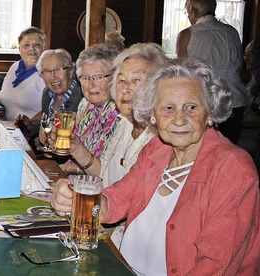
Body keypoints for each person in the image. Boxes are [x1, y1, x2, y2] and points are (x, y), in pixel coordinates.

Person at [51, 59, 260, 275]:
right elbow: (117, 199)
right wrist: (74, 198)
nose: (179, 120)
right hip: (120, 267)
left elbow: (216, 265)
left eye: (191, 108)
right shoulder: (157, 149)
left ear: (209, 113)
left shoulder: (233, 169)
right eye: (168, 108)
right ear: (153, 114)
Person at [176, 0, 248, 144]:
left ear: (192, 11)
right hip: (235, 100)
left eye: (187, 12)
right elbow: (240, 68)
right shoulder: (232, 32)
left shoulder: (188, 34)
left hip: (204, 101)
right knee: (228, 150)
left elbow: (182, 74)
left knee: (203, 151)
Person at [49, 44, 119, 174]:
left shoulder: (122, 115)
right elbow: (73, 147)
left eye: (98, 77)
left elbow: (112, 174)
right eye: (85, 78)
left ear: (115, 77)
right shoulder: (85, 104)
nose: (91, 85)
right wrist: (55, 141)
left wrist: (71, 169)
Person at [19, 49, 83, 145]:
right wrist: (26, 125)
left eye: (57, 70)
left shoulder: (83, 97)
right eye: (47, 71)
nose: (53, 77)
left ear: (70, 71)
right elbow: (46, 125)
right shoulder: (47, 94)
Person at [0, 27, 47, 120]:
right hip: (9, 129)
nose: (32, 48)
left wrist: (28, 124)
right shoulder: (15, 67)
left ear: (44, 48)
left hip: (32, 132)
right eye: (26, 45)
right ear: (19, 49)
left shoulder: (47, 72)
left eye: (37, 44)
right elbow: (6, 96)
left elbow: (52, 109)